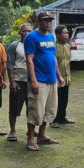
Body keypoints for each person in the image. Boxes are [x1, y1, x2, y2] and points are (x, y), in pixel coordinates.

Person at [24, 11, 65, 151]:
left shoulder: (50, 36)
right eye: (45, 20)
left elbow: (52, 58)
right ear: (38, 22)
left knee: (49, 110)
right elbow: (29, 60)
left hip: (51, 80)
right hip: (39, 80)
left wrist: (59, 76)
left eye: (49, 20)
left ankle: (42, 135)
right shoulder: (31, 37)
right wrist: (33, 80)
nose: (48, 23)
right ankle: (30, 139)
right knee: (36, 111)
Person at [6, 23, 33, 142]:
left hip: (32, 82)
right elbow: (10, 64)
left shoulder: (34, 45)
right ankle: (12, 131)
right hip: (18, 81)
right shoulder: (14, 46)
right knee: (14, 108)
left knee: (32, 108)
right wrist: (12, 82)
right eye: (24, 31)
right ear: (19, 32)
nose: (26, 33)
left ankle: (30, 130)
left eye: (29, 31)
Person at [51, 25, 74, 128]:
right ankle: (53, 120)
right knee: (56, 100)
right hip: (56, 78)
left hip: (66, 78)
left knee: (64, 99)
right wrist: (58, 76)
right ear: (58, 35)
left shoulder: (68, 46)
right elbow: (52, 63)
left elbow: (68, 62)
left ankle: (62, 118)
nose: (67, 35)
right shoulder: (53, 47)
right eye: (64, 33)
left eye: (67, 33)